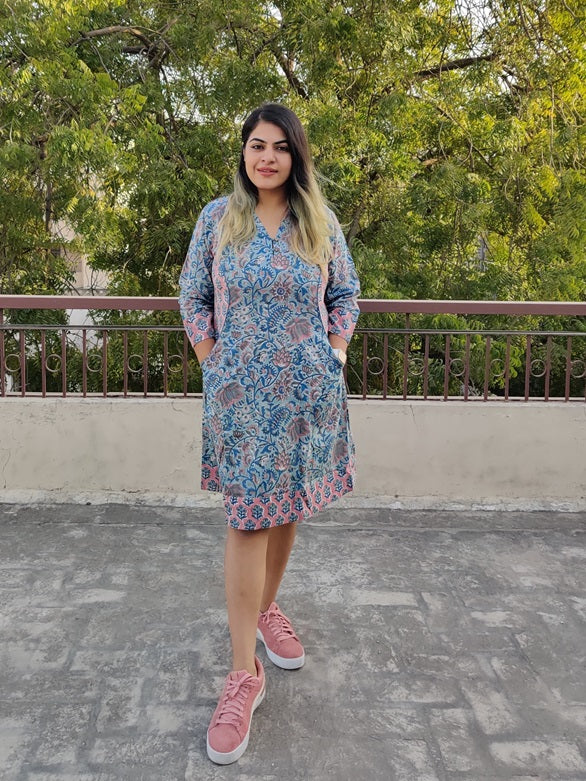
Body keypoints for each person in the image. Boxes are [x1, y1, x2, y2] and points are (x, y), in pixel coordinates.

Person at [178, 102, 361, 765]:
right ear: (244, 152)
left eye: (280, 147)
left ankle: (265, 606)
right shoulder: (217, 219)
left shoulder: (319, 222)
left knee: (287, 511)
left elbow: (346, 294)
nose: (268, 157)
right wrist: (214, 363)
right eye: (258, 144)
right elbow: (192, 297)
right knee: (247, 521)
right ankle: (242, 673)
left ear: (295, 156)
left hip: (307, 394)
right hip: (242, 401)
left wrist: (335, 352)